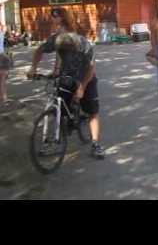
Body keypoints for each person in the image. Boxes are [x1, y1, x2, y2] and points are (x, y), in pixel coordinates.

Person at [27, 10, 105, 159]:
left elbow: (91, 68)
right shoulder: (57, 39)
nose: (64, 49)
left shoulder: (83, 44)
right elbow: (39, 50)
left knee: (92, 112)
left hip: (86, 78)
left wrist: (82, 86)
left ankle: (96, 144)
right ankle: (55, 138)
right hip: (67, 78)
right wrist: (33, 68)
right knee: (60, 109)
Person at [0, 24, 13, 104]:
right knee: (3, 79)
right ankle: (4, 98)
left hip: (3, 56)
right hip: (2, 57)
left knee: (2, 79)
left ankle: (3, 97)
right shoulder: (1, 34)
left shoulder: (2, 34)